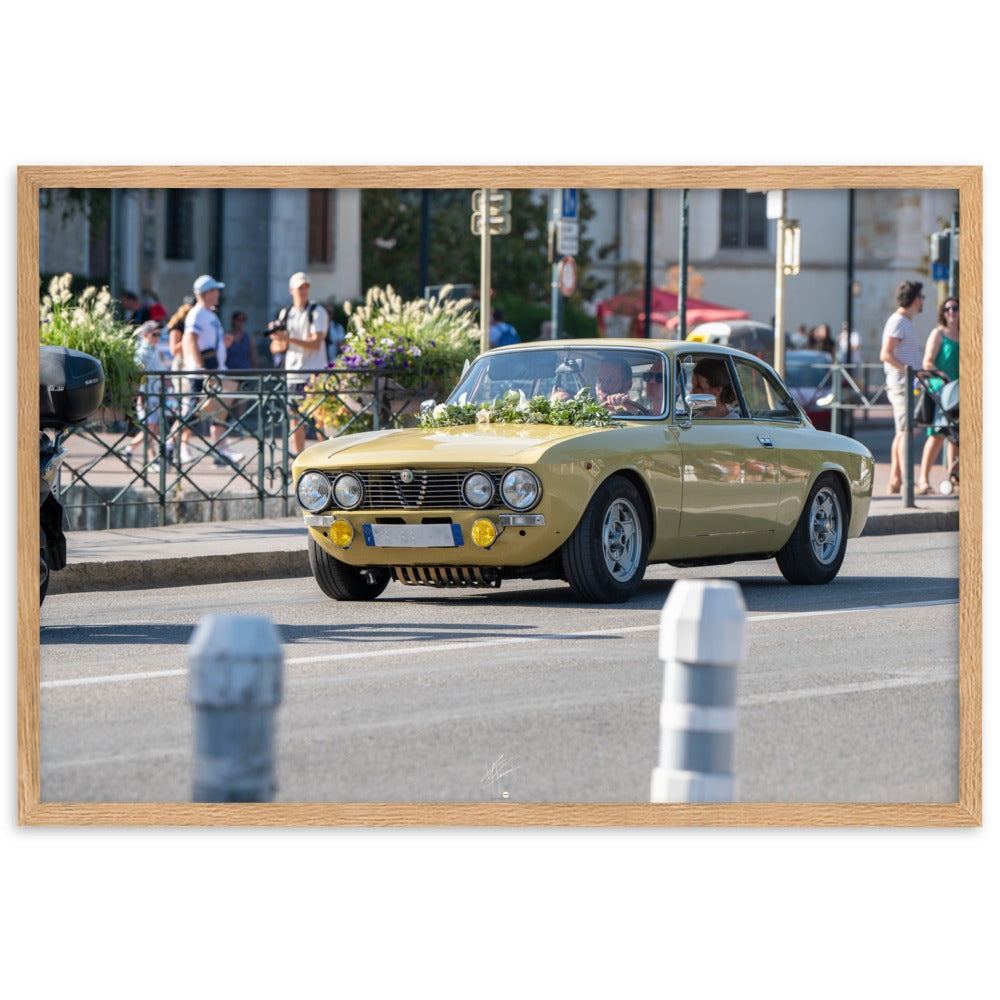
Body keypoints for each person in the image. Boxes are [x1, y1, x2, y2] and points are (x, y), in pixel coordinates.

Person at [267, 271, 330, 455]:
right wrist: (276, 338)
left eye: (306, 287)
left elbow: (316, 344)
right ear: (291, 290)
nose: (303, 291)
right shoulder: (286, 313)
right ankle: (299, 459)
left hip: (314, 374)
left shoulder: (317, 312)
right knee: (295, 420)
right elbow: (277, 348)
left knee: (321, 419)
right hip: (293, 375)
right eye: (300, 288)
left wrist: (289, 339)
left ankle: (326, 459)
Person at [178, 274, 235, 467]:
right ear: (208, 292)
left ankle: (221, 452)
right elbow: (192, 340)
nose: (218, 293)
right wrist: (202, 368)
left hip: (214, 372)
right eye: (216, 290)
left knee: (218, 412)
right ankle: (172, 445)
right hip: (200, 374)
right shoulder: (197, 314)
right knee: (192, 413)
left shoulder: (210, 314)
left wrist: (224, 344)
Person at [879, 280, 925, 494]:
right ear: (916, 299)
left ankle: (896, 480)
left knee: (902, 432)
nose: (923, 301)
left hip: (907, 385)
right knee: (907, 431)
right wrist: (909, 370)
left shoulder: (904, 321)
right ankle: (907, 481)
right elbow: (886, 354)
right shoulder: (898, 321)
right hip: (901, 386)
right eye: (922, 297)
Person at [916, 296, 960, 494]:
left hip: (961, 390)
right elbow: (927, 362)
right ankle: (923, 481)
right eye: (947, 308)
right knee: (938, 434)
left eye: (955, 308)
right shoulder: (938, 334)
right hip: (943, 389)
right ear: (942, 313)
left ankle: (954, 477)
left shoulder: (965, 333)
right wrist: (942, 375)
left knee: (957, 436)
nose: (951, 312)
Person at [122, 320, 171, 467]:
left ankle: (140, 453)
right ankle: (148, 457)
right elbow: (139, 376)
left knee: (152, 428)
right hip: (146, 395)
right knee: (150, 428)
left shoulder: (153, 349)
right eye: (154, 334)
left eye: (159, 335)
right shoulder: (143, 351)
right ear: (145, 335)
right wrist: (140, 396)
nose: (157, 337)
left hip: (153, 394)